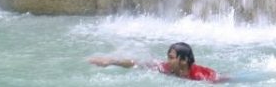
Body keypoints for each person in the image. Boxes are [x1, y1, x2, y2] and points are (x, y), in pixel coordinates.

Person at [88, 41, 221, 82]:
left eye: (171, 57)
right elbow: (136, 63)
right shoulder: (166, 67)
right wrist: (111, 62)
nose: (167, 60)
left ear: (184, 60)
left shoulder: (200, 76)